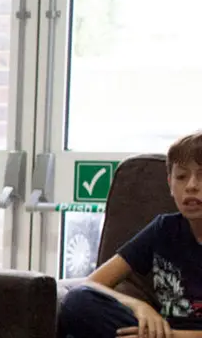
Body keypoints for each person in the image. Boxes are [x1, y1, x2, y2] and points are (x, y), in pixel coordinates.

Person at [59, 131, 202, 338]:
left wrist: (171, 336)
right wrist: (139, 307)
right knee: (78, 302)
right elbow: (91, 284)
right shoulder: (164, 228)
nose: (191, 186)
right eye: (181, 177)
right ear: (170, 184)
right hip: (157, 332)